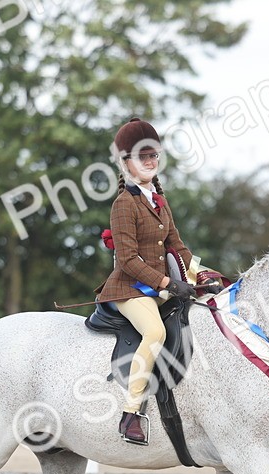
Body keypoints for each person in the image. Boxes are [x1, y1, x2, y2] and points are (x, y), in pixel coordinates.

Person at [94, 118, 198, 445]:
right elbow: (127, 260)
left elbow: (176, 246)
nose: (151, 162)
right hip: (128, 289)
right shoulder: (124, 204)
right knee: (155, 331)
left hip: (159, 286)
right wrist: (169, 282)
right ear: (127, 163)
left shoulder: (159, 201)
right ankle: (131, 413)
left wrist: (201, 276)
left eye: (154, 155)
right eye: (143, 157)